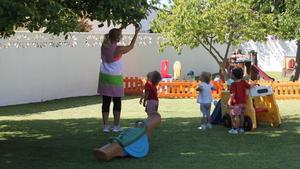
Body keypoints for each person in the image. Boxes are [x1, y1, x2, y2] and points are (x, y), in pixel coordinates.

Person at [98, 25, 140, 133]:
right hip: (115, 79)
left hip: (104, 78)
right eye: (120, 35)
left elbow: (114, 35)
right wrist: (136, 33)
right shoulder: (119, 49)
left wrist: (123, 26)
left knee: (105, 102)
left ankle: (106, 126)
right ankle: (116, 126)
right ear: (118, 38)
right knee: (117, 102)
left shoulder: (104, 46)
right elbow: (131, 46)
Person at [228, 67, 251, 134]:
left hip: (236, 104)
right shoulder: (243, 82)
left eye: (232, 74)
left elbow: (233, 94)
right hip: (243, 103)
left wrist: (229, 102)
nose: (231, 75)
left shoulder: (233, 84)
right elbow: (249, 86)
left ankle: (235, 129)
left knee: (235, 116)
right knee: (241, 115)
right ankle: (241, 128)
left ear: (234, 76)